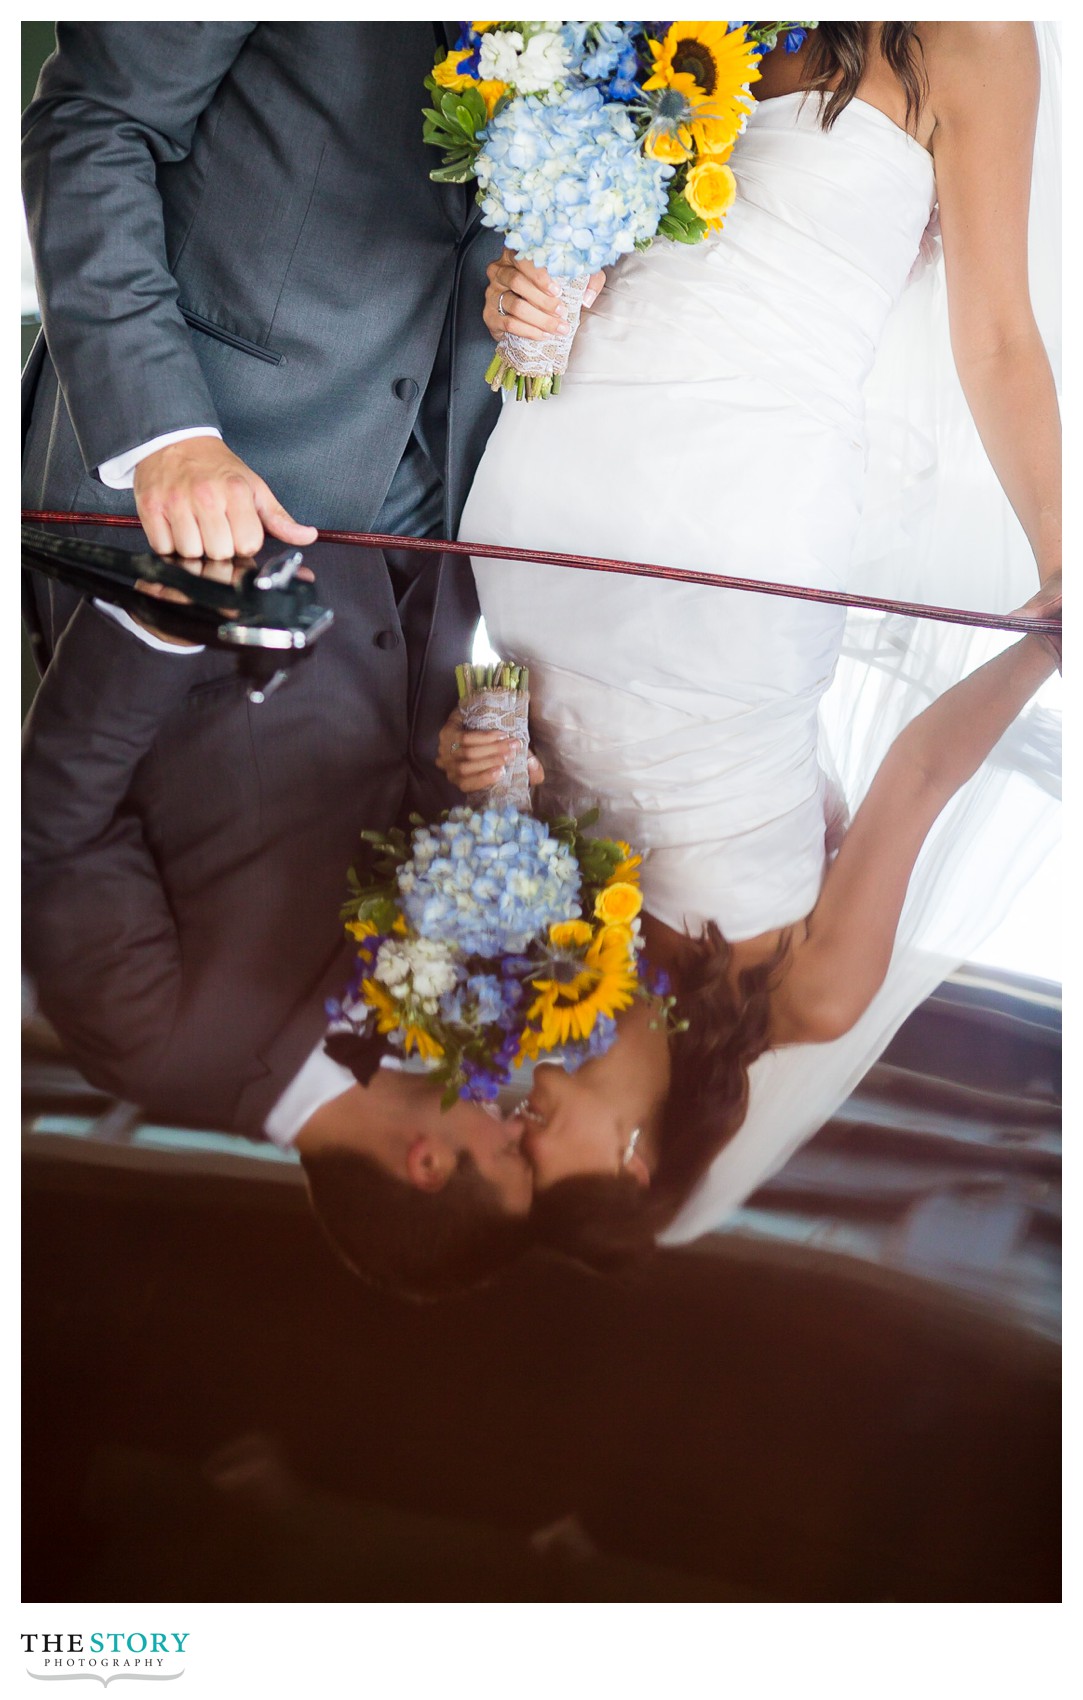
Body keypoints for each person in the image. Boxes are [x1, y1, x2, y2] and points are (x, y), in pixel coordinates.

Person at [450, 22, 1062, 1263]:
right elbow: (917, 776)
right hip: (737, 535)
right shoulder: (808, 992)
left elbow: (503, 701)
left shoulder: (548, 959)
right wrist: (1055, 611)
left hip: (537, 501)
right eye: (538, 1133)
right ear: (637, 1156)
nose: (522, 1098)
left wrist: (476, 741)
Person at [21, 22, 527, 1297]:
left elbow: (52, 828)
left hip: (185, 496)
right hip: (432, 513)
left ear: (426, 1163)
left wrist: (171, 584)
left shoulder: (156, 1049)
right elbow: (415, 704)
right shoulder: (461, 1005)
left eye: (508, 1147)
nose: (523, 1107)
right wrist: (478, 751)